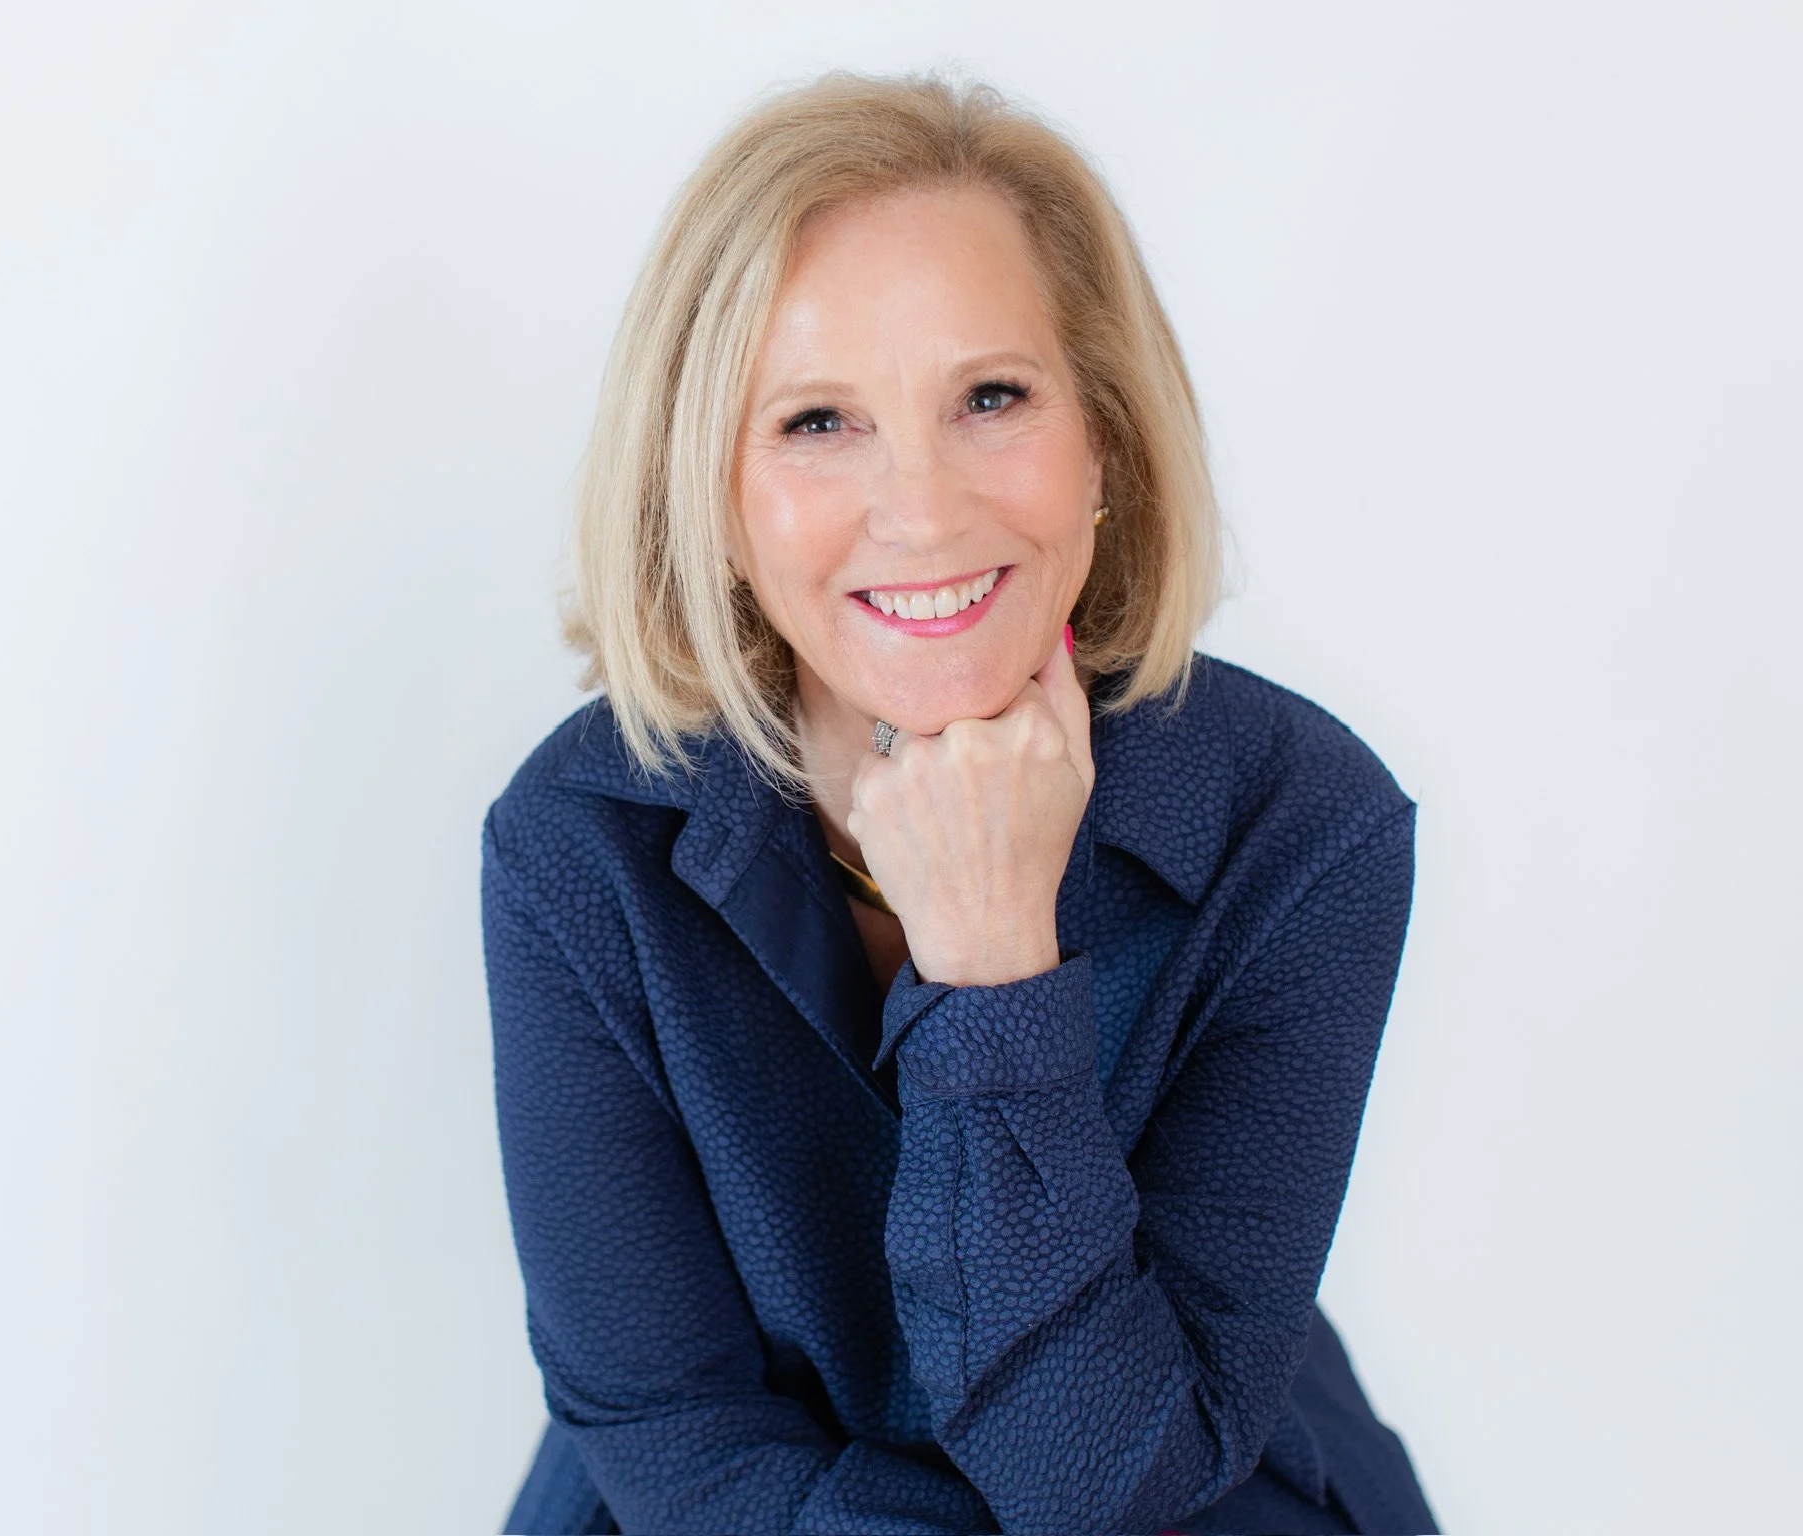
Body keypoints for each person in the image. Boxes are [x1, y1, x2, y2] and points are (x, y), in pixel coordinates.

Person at [480, 70, 1436, 1535]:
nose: (920, 509)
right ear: (712, 496)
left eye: (991, 397)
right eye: (816, 422)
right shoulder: (576, 847)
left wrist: (993, 963)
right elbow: (674, 1431)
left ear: (1103, 435)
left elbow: (1115, 1478)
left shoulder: (1302, 827)